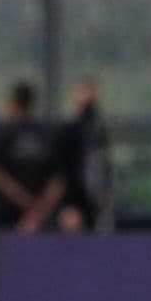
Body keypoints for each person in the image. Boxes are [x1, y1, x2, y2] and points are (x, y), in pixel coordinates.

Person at [0, 81, 66, 232]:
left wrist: (29, 206)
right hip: (35, 216)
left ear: (11, 102)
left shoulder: (0, 132)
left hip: (5, 217)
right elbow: (57, 180)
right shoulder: (46, 133)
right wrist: (36, 210)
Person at [56, 77, 113, 233]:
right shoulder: (69, 130)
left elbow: (103, 163)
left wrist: (105, 190)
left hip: (93, 197)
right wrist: (66, 204)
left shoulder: (98, 131)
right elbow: (62, 170)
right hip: (73, 197)